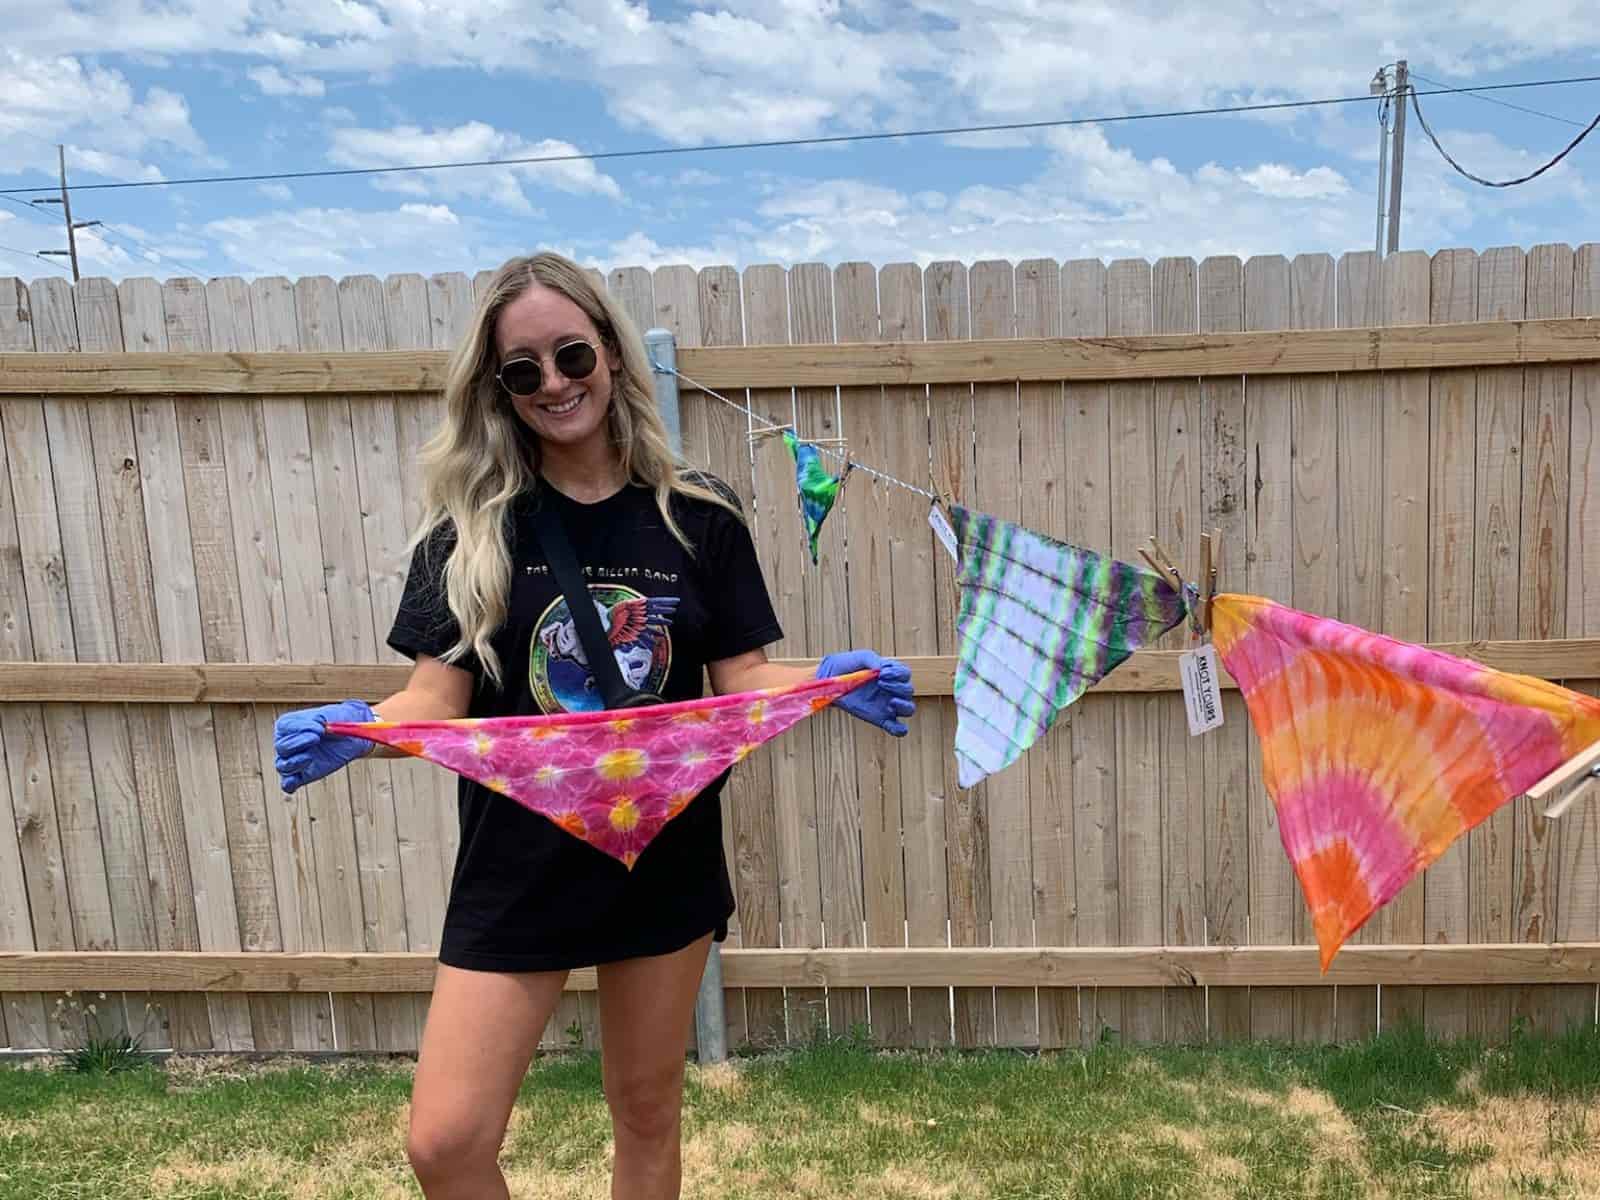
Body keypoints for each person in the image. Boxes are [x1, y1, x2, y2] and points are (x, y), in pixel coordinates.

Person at [271, 251, 916, 1200]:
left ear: (611, 352)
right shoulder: (468, 533)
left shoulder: (699, 516)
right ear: (497, 388)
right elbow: (434, 700)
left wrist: (823, 682)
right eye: (522, 369)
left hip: (662, 852)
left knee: (647, 1113)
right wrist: (359, 725)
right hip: (516, 863)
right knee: (446, 1143)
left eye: (571, 355)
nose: (554, 383)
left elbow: (741, 677)